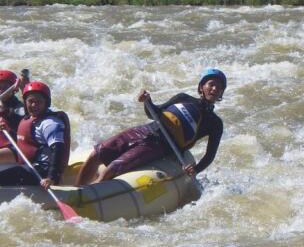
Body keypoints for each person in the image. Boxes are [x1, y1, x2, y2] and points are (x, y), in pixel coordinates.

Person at [75, 68, 227, 185]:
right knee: (97, 153)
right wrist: (147, 101)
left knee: (113, 168)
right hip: (145, 131)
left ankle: (90, 195)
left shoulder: (215, 123)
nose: (214, 89)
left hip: (160, 147)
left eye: (219, 88)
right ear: (201, 87)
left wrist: (196, 169)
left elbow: (210, 155)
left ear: (221, 94)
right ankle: (79, 189)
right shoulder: (183, 98)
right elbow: (154, 113)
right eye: (211, 84)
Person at [0, 81, 71, 189]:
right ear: (25, 102)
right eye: (30, 101)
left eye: (38, 102)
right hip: (30, 166)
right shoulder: (30, 119)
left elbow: (58, 150)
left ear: (46, 103)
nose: (34, 105)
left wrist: (51, 178)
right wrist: (10, 132)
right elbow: (28, 141)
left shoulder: (50, 123)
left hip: (42, 171)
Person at [0, 70, 27, 165]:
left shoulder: (19, 108)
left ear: (13, 89)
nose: (1, 91)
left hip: (14, 149)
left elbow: (26, 134)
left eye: (5, 88)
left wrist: (23, 88)